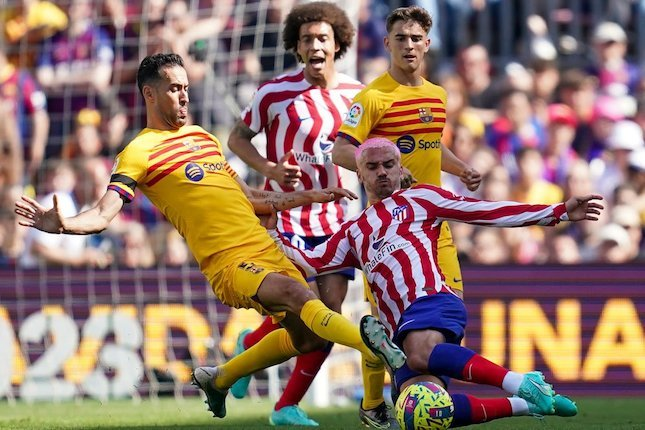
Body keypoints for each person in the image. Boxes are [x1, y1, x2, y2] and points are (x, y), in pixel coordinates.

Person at [14, 53, 405, 420]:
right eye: (173, 88)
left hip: (264, 246)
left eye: (185, 87)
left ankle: (218, 378)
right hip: (228, 261)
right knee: (300, 296)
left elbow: (250, 198)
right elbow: (102, 214)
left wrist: (307, 197)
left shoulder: (203, 137)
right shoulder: (139, 151)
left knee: (308, 340)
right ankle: (372, 346)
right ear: (149, 94)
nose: (184, 95)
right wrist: (64, 224)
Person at [270, 138, 601, 426]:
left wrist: (556, 211)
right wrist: (271, 232)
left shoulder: (421, 199)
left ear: (401, 169)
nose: (382, 172)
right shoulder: (353, 232)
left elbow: (487, 211)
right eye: (373, 167)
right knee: (422, 413)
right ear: (360, 174)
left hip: (432, 301)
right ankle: (525, 405)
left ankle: (522, 384)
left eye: (389, 164)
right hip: (402, 327)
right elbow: (312, 259)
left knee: (418, 354)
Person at [331, 6, 480, 426]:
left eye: (416, 38)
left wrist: (460, 167)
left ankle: (429, 402)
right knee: (387, 326)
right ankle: (374, 403)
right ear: (387, 44)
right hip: (389, 232)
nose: (409, 45)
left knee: (448, 319)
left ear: (427, 43)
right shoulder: (372, 96)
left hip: (434, 227)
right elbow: (341, 149)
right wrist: (383, 164)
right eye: (401, 38)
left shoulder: (437, 94)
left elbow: (431, 145)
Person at [226, 2, 368, 426]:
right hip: (286, 217)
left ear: (338, 42)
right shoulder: (273, 93)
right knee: (299, 310)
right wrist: (269, 169)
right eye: (307, 39)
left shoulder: (358, 95)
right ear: (297, 46)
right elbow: (237, 138)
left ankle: (283, 401)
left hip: (338, 218)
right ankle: (252, 350)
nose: (315, 45)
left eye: (322, 37)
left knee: (330, 314)